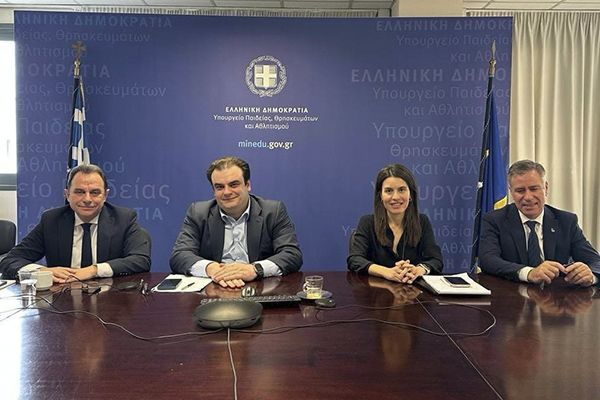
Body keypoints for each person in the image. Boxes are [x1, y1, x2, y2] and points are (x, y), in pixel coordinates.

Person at [0, 164, 151, 282]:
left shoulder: (123, 219)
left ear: (105, 195)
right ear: (67, 195)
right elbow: (10, 261)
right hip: (61, 301)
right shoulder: (51, 220)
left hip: (110, 300)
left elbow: (140, 260)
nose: (87, 199)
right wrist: (41, 271)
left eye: (95, 192)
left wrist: (93, 270)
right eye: (79, 192)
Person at [169, 156, 302, 288]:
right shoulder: (198, 212)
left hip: (259, 287)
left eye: (233, 184)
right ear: (214, 191)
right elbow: (180, 255)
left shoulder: (273, 211)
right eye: (219, 187)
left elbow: (291, 254)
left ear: (247, 185)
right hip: (215, 286)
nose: (227, 192)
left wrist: (255, 269)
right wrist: (211, 268)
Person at [479, 160, 600, 287]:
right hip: (511, 294)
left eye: (534, 189)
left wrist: (591, 276)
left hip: (556, 296)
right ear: (511, 192)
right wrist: (529, 273)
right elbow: (488, 260)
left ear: (546, 188)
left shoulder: (566, 221)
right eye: (520, 190)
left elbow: (595, 261)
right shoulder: (494, 220)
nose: (528, 197)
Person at [347, 163, 443, 283]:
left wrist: (418, 270)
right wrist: (386, 272)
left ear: (410, 194)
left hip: (413, 290)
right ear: (380, 195)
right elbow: (355, 259)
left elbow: (436, 260)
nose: (395, 197)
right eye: (389, 191)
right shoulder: (367, 222)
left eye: (401, 190)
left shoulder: (422, 221)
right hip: (375, 291)